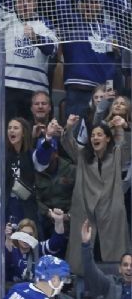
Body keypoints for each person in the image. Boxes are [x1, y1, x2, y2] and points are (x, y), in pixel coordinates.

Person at [58, 117, 130, 273]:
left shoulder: (116, 155)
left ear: (107, 138)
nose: (95, 138)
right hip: (86, 214)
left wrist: (122, 128)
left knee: (112, 262)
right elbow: (67, 143)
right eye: (92, 135)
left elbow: (127, 147)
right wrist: (69, 126)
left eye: (99, 135)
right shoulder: (83, 156)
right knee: (84, 262)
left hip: (111, 216)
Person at [0, 0, 58, 121]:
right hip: (10, 85)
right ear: (15, 4)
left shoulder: (44, 24)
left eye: (28, 1)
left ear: (35, 4)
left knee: (34, 130)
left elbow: (52, 49)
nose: (24, 4)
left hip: (36, 89)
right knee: (9, 129)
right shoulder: (7, 19)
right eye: (20, 1)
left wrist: (36, 38)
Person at [81, 220, 132, 299]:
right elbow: (90, 270)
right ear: (120, 269)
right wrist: (86, 245)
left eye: (131, 265)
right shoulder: (109, 284)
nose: (129, 268)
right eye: (125, 265)